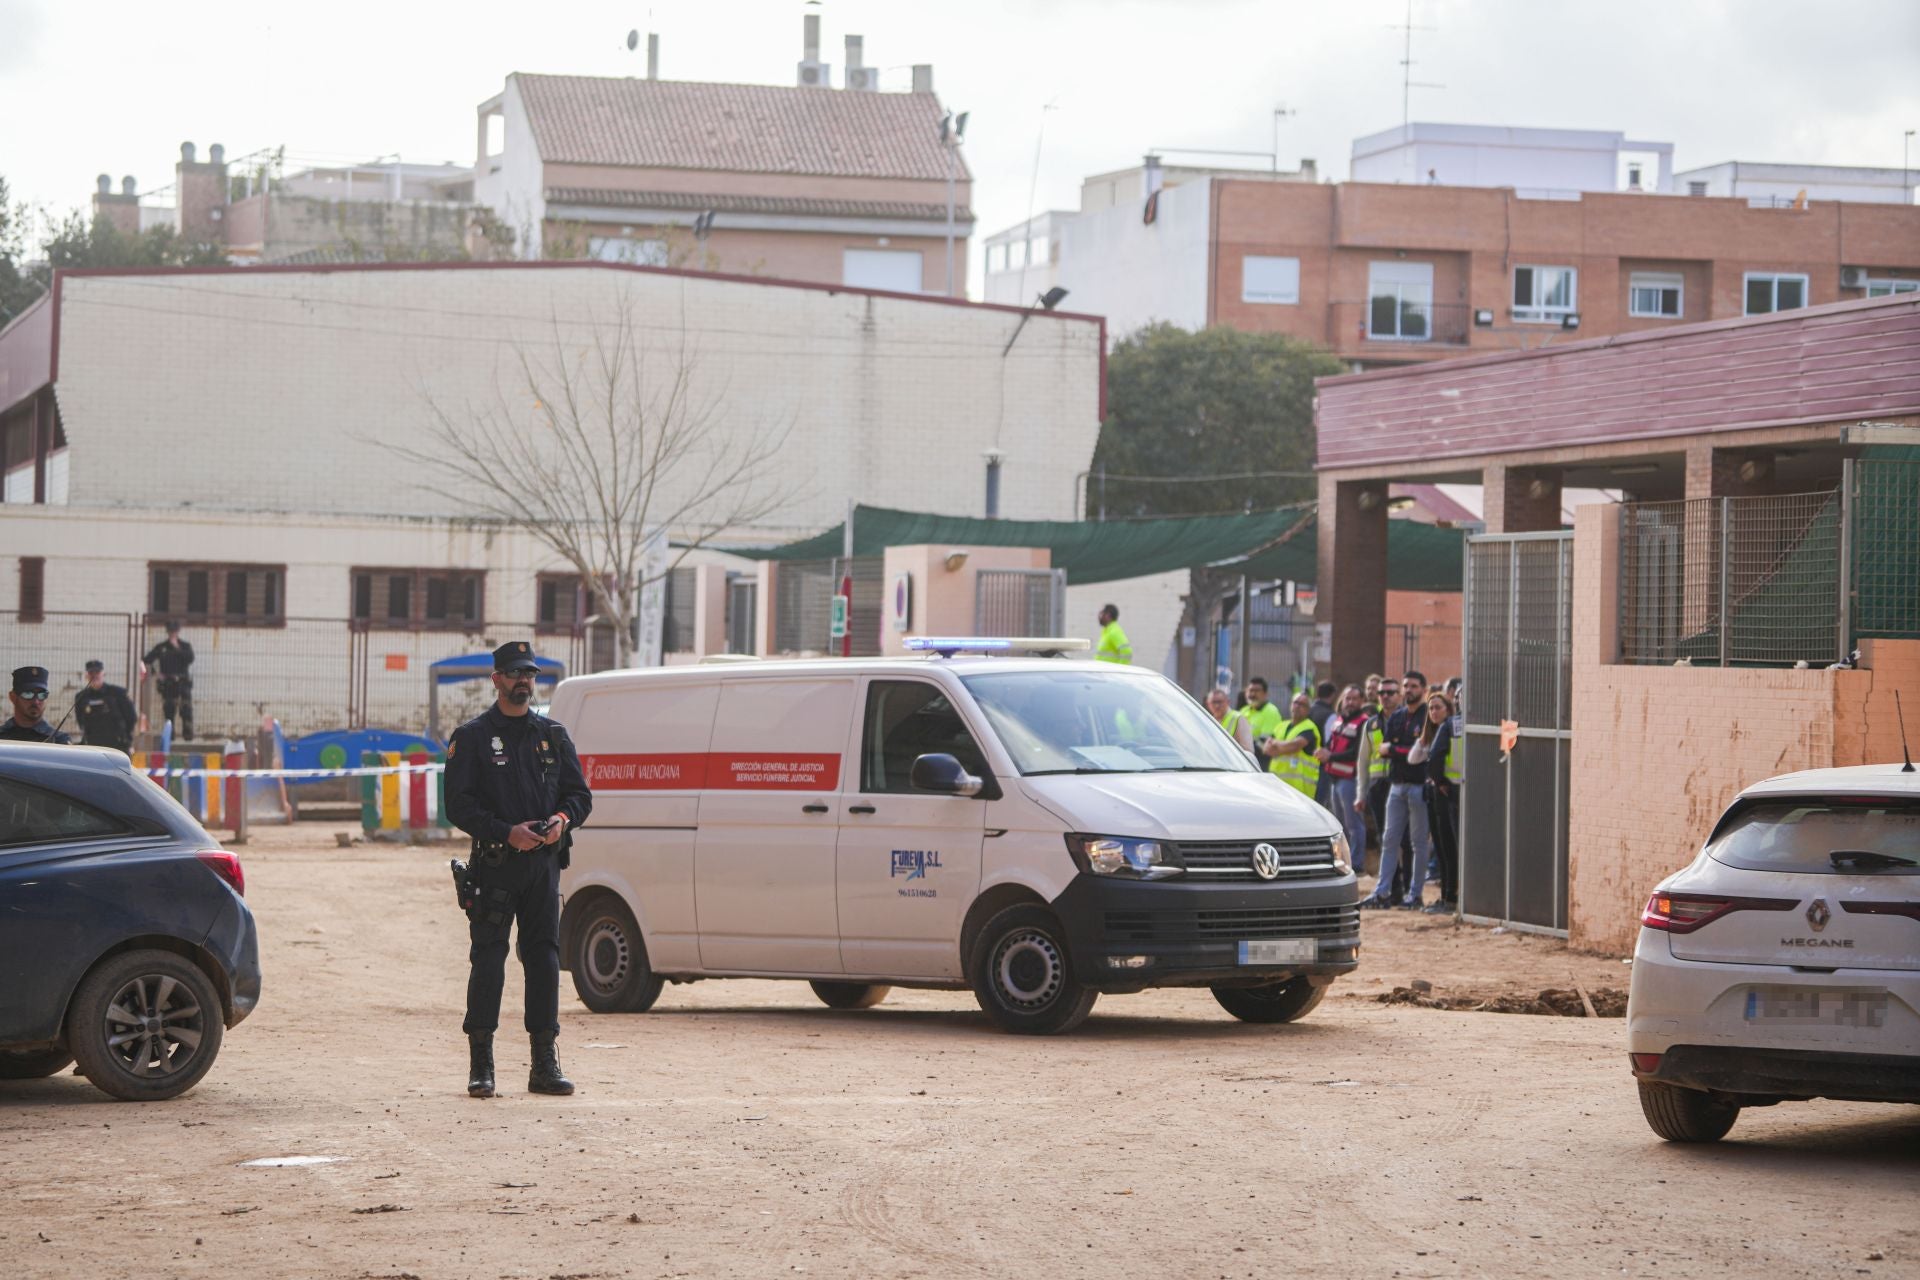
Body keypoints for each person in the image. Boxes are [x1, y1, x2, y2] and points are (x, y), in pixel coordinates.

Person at [444, 641, 592, 1099]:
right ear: (496, 680)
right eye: (513, 673)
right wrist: (506, 831)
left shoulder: (552, 734)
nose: (522, 680)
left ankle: (544, 1064)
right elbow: (457, 805)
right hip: (496, 867)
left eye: (528, 673)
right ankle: (481, 1065)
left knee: (545, 961)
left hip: (543, 870)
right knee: (488, 961)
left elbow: (579, 797)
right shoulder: (472, 737)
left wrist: (561, 822)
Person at [1363, 670, 1434, 909]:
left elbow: (1421, 753)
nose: (1409, 690)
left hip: (1418, 786)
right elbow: (1385, 748)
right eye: (1406, 686)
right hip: (1396, 786)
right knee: (1389, 839)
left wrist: (1396, 749)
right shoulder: (1398, 716)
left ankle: (1415, 894)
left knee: (1417, 843)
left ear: (1423, 690)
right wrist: (1401, 750)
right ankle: (1382, 892)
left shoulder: (1428, 715)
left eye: (1414, 686)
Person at [1411, 690, 1460, 914]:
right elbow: (1415, 758)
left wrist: (1440, 780)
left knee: (1447, 847)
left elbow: (1435, 759)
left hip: (1446, 792)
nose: (1433, 712)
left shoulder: (1450, 726)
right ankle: (1449, 898)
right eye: (1430, 708)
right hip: (1444, 791)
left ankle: (1450, 898)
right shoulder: (1443, 728)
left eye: (1438, 707)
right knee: (1445, 848)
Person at [1317, 684, 1370, 865]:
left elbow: (1357, 752)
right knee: (1341, 825)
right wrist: (1323, 752)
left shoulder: (1364, 722)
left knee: (1354, 824)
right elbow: (1331, 744)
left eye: (1355, 699)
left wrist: (1330, 756)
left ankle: (1356, 863)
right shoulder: (1339, 720)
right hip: (1335, 778)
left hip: (1351, 780)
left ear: (1362, 701)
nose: (1351, 702)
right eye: (1348, 698)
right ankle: (1344, 860)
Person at [142, 621, 196, 740]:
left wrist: (176, 647)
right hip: (168, 683)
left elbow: (190, 659)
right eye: (171, 631)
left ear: (178, 632)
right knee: (169, 711)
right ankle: (169, 737)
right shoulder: (161, 647)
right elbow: (146, 661)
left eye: (174, 631)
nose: (172, 634)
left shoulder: (184, 646)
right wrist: (156, 674)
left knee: (186, 710)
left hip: (182, 682)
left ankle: (188, 737)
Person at [1262, 691, 1320, 797]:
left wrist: (1276, 744)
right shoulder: (1281, 726)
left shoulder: (1309, 728)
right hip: (1277, 785)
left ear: (1308, 710)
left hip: (1299, 790)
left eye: (1302, 704)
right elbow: (1266, 749)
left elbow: (1294, 746)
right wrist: (1284, 747)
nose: (1297, 706)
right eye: (1295, 703)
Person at [73, 660, 137, 754]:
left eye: (97, 672)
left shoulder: (118, 693)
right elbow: (80, 722)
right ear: (86, 675)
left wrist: (128, 741)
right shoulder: (81, 697)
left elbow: (131, 718)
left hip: (117, 747)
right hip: (93, 747)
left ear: (103, 674)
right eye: (91, 673)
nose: (94, 676)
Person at [1, 666, 72, 743]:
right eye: (28, 694)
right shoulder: (2, 737)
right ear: (13, 697)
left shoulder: (59, 741)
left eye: (42, 695)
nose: (36, 701)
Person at [1307, 681, 1337, 806]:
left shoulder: (1307, 711)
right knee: (1319, 804)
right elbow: (1331, 742)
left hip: (1303, 765)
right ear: (1332, 696)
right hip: (1321, 765)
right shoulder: (1330, 715)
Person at [1205, 687, 1254, 751]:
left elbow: (1248, 750)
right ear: (1208, 704)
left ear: (1228, 702)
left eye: (1220, 702)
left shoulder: (1238, 718)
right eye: (1213, 702)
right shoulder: (1208, 721)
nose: (1217, 705)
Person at [1241, 675, 1284, 748]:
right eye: (1251, 690)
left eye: (1257, 691)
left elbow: (1265, 742)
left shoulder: (1271, 712)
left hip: (1259, 757)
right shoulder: (1244, 710)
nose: (1253, 694)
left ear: (1265, 694)